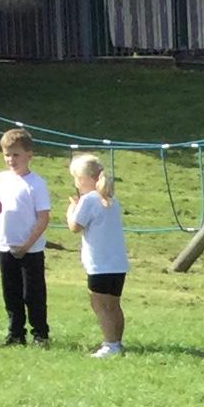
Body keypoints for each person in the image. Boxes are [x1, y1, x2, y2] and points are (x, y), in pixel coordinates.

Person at [0, 128, 52, 346]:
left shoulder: (36, 183)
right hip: (5, 247)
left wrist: (26, 245)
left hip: (30, 250)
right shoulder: (1, 179)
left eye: (16, 155)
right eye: (7, 155)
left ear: (29, 155)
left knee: (33, 294)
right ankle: (15, 333)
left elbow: (43, 218)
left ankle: (40, 334)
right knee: (11, 293)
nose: (11, 160)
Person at [68, 152, 130, 356]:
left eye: (76, 178)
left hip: (99, 264)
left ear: (84, 179)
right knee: (114, 305)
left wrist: (71, 210)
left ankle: (110, 344)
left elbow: (75, 226)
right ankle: (116, 342)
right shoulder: (112, 200)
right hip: (117, 264)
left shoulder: (88, 200)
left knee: (100, 305)